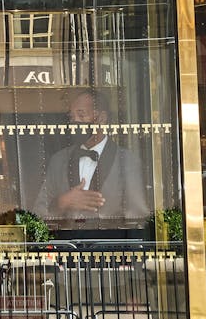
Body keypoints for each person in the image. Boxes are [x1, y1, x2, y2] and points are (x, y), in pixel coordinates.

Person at [33, 88, 149, 226]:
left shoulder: (128, 161)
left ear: (101, 118)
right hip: (67, 246)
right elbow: (37, 213)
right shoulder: (58, 160)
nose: (75, 123)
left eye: (81, 116)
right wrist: (63, 202)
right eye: (72, 118)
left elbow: (137, 218)